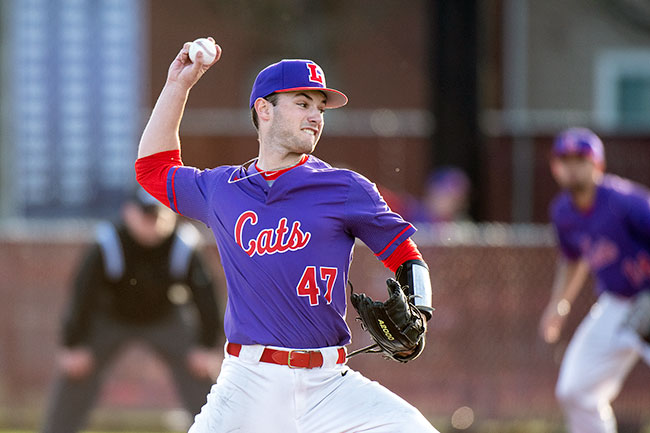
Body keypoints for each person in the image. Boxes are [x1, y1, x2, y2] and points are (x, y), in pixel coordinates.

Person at [135, 37, 438, 432]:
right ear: (264, 109)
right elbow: (153, 169)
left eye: (320, 107)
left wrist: (421, 309)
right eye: (302, 103)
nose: (316, 115)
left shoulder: (344, 188)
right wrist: (179, 85)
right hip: (249, 383)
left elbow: (404, 253)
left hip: (330, 385)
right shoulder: (223, 189)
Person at [41, 188, 222, 433]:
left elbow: (206, 296)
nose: (153, 223)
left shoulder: (184, 243)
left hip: (166, 316)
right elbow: (83, 293)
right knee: (77, 371)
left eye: (159, 215)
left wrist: (206, 346)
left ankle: (220, 428)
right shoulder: (108, 241)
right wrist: (73, 344)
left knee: (200, 371)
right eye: (146, 215)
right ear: (129, 212)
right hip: (112, 317)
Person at [538, 127, 650, 433]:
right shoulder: (563, 211)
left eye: (580, 159)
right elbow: (572, 260)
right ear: (555, 166)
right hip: (615, 304)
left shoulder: (624, 200)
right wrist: (558, 306)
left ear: (598, 164)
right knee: (575, 390)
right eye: (565, 159)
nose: (572, 166)